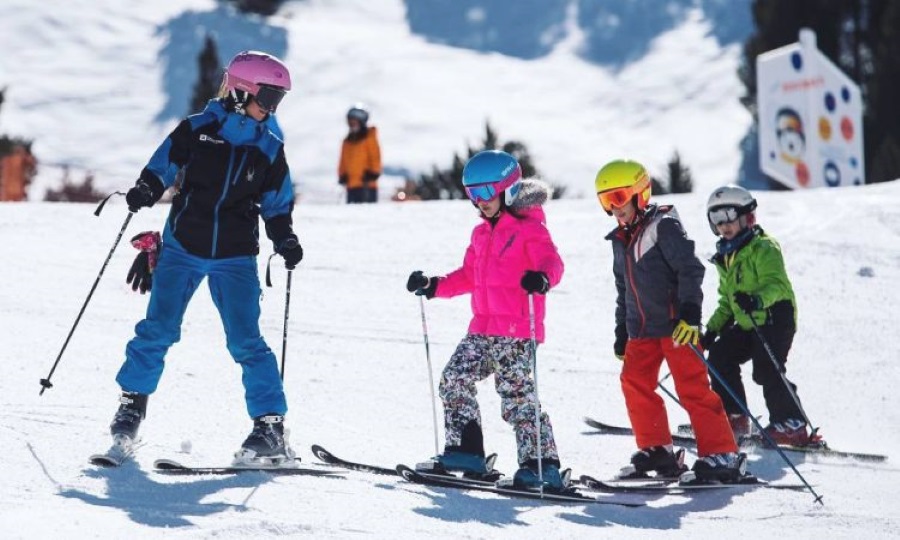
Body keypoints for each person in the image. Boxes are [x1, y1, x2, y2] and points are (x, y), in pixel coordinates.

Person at [107, 50, 304, 466]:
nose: (271, 109)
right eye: (267, 98)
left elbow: (276, 204)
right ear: (239, 92)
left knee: (246, 340)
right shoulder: (197, 130)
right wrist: (146, 188)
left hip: (236, 257)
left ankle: (270, 426)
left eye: (278, 100)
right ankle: (132, 405)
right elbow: (163, 165)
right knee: (158, 328)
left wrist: (284, 237)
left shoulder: (269, 148)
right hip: (182, 247)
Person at [406, 150, 566, 489]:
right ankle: (465, 451)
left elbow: (553, 262)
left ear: (508, 190)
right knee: (454, 379)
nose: (480, 203)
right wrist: (433, 286)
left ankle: (542, 465)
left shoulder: (529, 229)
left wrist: (542, 279)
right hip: (482, 329)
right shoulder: (481, 234)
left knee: (516, 396)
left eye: (485, 193)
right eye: (472, 195)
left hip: (518, 331)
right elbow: (468, 275)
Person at [595, 159, 746, 483]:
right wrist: (622, 330)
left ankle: (722, 454)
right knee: (634, 383)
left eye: (619, 197)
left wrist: (691, 316)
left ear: (640, 193)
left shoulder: (662, 226)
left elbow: (691, 269)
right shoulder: (619, 240)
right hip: (642, 330)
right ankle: (657, 449)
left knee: (692, 388)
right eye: (606, 201)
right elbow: (624, 290)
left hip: (678, 325)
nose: (614, 209)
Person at [701, 184, 817, 446]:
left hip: (775, 318)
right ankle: (735, 417)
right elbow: (727, 303)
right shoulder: (726, 256)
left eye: (729, 216)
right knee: (719, 356)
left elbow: (777, 285)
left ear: (747, 216)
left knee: (766, 369)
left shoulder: (763, 247)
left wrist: (756, 300)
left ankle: (792, 424)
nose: (724, 225)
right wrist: (711, 331)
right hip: (748, 321)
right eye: (717, 219)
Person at [338, 104, 381, 203]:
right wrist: (342, 175)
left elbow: (375, 156)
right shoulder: (347, 142)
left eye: (354, 121)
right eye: (350, 122)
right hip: (351, 185)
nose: (352, 124)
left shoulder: (369, 138)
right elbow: (343, 161)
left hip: (367, 185)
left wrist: (374, 172)